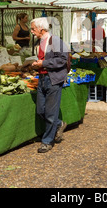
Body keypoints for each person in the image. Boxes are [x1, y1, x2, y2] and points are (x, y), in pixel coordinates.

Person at [30, 17, 70, 153]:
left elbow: (63, 59)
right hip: (41, 78)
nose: (32, 32)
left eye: (33, 29)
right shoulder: (38, 41)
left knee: (51, 113)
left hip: (53, 79)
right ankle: (59, 124)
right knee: (41, 110)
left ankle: (47, 142)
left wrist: (44, 64)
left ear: (41, 29)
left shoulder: (55, 40)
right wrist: (36, 64)